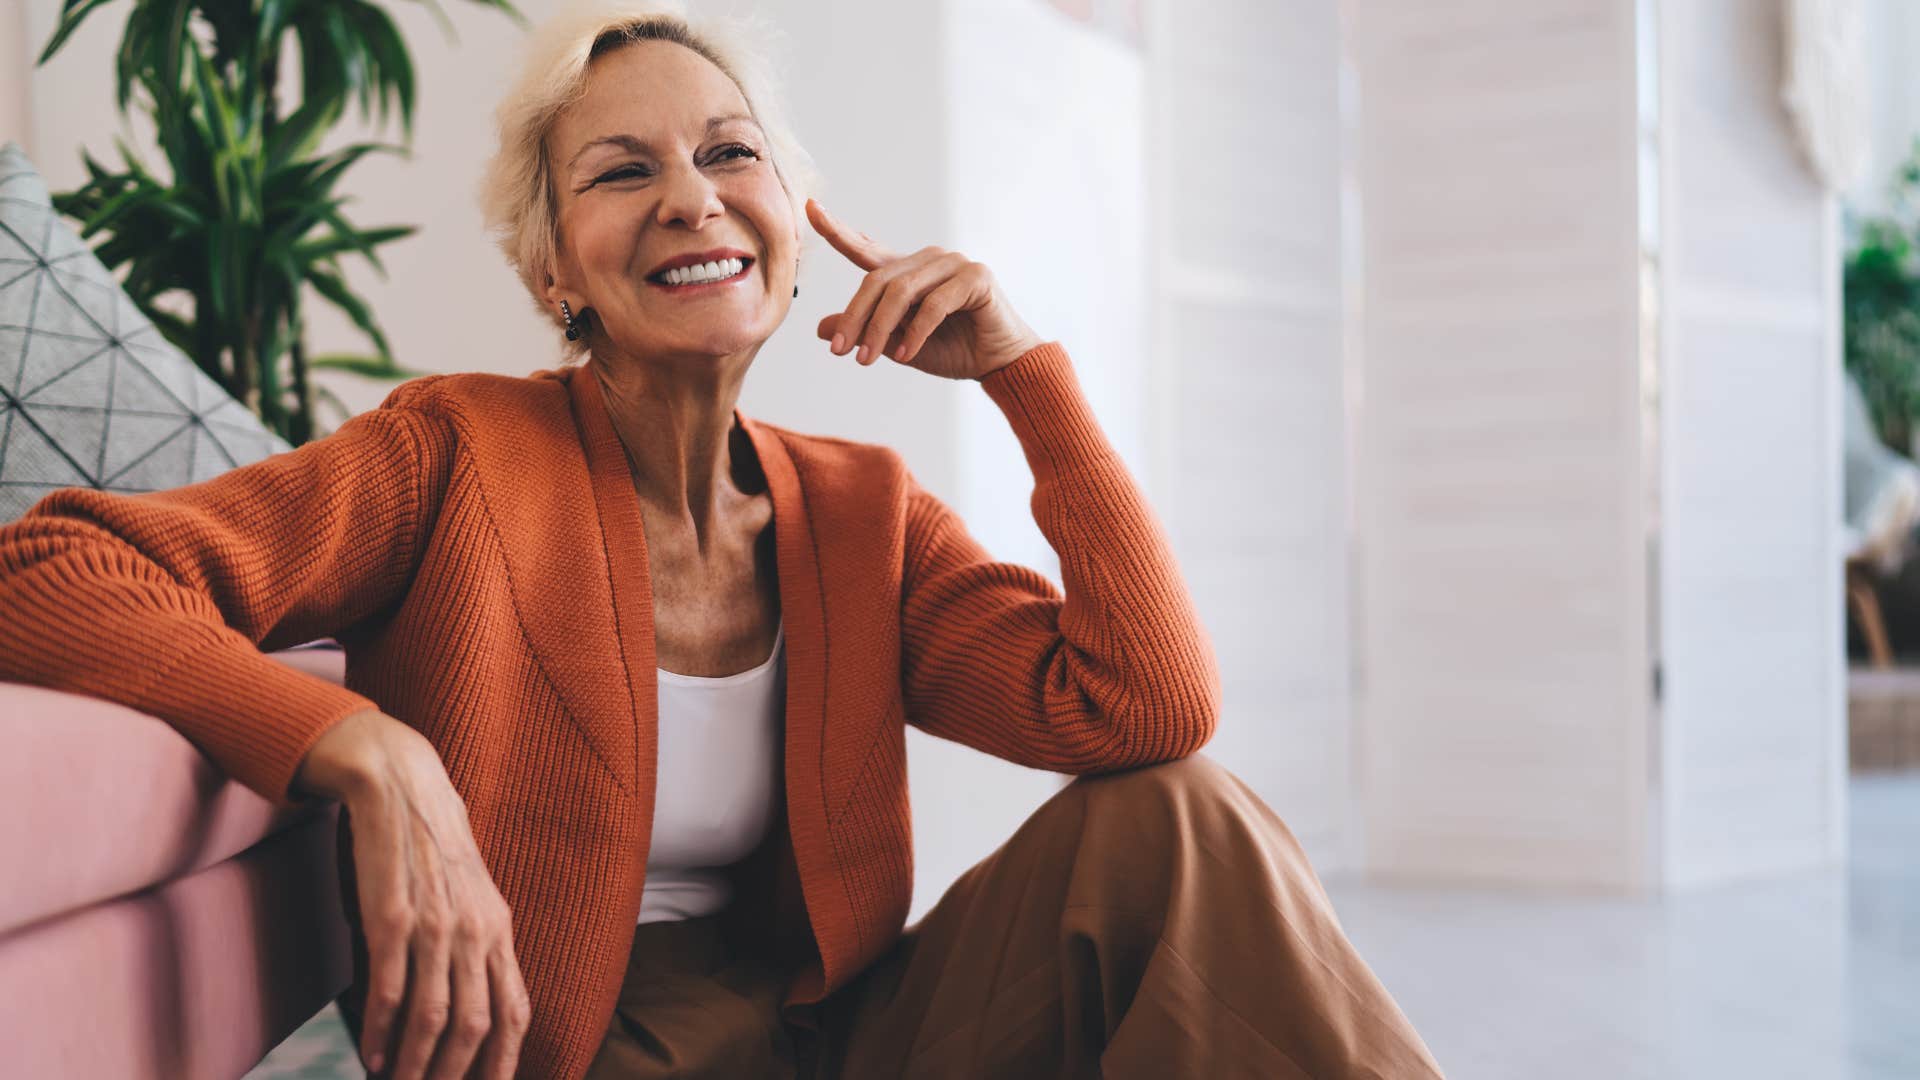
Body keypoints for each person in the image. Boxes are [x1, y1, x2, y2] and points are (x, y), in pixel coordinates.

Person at [0, 1, 1447, 1077]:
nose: (690, 195)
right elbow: (52, 569)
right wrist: (370, 754)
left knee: (1180, 817)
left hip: (838, 1041)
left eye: (728, 153)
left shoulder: (864, 514)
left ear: (791, 228)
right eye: (620, 172)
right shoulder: (451, 450)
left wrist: (1028, 376)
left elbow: (1143, 708)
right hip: (570, 1053)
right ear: (555, 264)